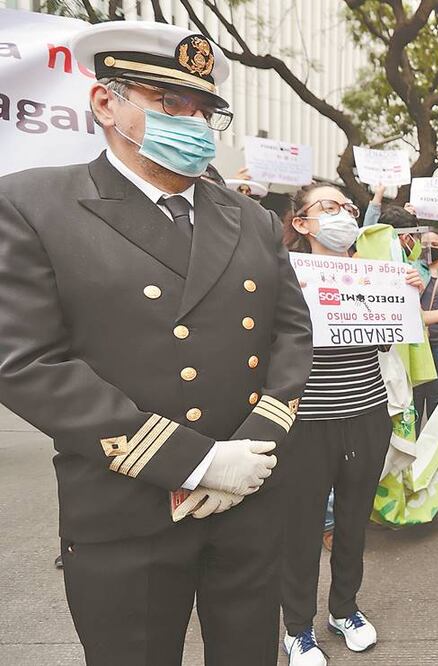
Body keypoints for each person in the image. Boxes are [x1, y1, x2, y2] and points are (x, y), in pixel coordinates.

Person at [0, 22, 313, 665]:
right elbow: (26, 361)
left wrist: (253, 446)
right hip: (125, 505)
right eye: (170, 104)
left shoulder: (250, 218)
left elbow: (291, 332)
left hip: (248, 494)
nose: (193, 122)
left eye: (203, 110)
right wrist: (196, 461)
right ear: (106, 103)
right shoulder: (36, 203)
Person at [278, 183, 422, 665]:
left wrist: (401, 303)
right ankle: (298, 627)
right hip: (305, 423)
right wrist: (292, 302)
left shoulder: (375, 275)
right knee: (300, 529)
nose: (342, 214)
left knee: (354, 522)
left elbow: (382, 345)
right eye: (328, 207)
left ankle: (345, 609)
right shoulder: (281, 277)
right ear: (301, 223)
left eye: (347, 207)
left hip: (366, 416)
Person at [412, 229, 438, 422]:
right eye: (426, 244)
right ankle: (413, 447)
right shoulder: (411, 269)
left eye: (435, 245)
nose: (430, 248)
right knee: (415, 398)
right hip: (418, 344)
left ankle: (433, 449)